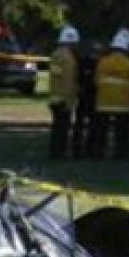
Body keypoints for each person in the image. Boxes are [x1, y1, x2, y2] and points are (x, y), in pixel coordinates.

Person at [91, 29, 129, 160]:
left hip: (103, 103)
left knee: (101, 131)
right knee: (121, 132)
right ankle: (121, 154)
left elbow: (96, 81)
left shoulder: (103, 62)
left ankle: (98, 153)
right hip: (123, 104)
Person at [48, 25, 80, 159]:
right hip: (63, 99)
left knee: (56, 127)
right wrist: (69, 100)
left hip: (53, 97)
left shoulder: (55, 55)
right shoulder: (68, 59)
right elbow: (68, 80)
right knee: (63, 128)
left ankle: (55, 151)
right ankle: (61, 152)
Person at [72, 41, 100, 158]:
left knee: (80, 124)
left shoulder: (81, 62)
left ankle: (77, 149)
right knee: (92, 125)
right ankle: (90, 149)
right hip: (92, 97)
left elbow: (77, 78)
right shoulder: (99, 63)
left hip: (83, 96)